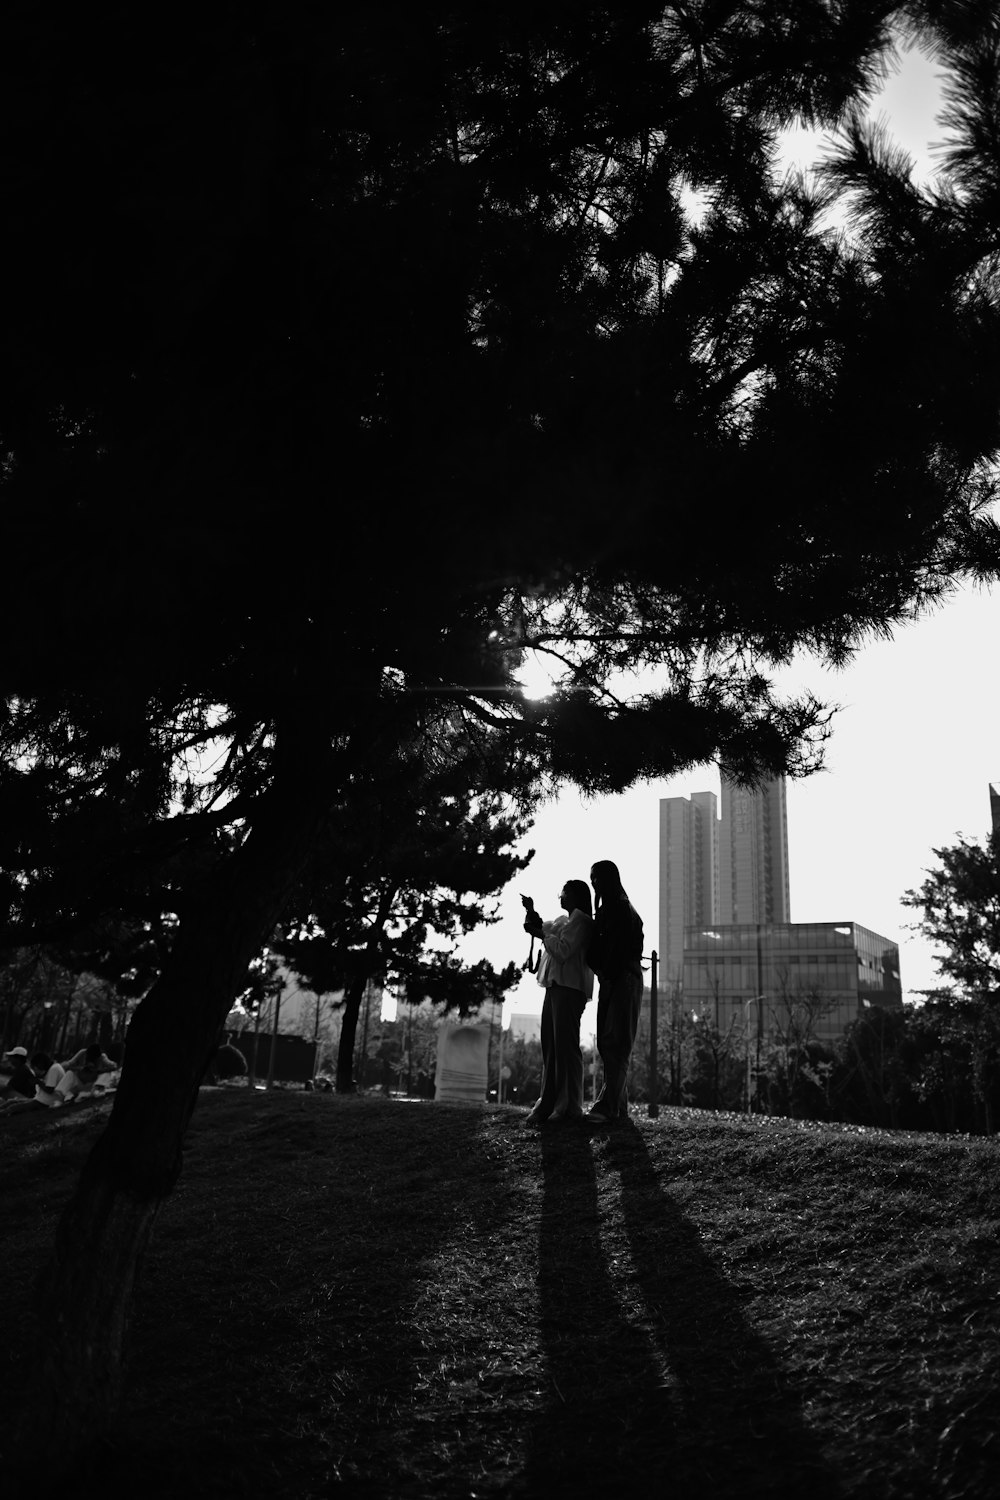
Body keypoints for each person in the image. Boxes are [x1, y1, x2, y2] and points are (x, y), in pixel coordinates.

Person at [522, 880, 594, 1127]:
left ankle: (568, 1106)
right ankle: (550, 1103)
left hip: (569, 988)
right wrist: (531, 914)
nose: (560, 897)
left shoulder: (581, 921)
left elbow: (563, 951)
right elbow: (543, 928)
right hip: (555, 988)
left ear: (574, 895)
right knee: (551, 1049)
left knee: (564, 1049)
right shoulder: (564, 921)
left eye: (564, 892)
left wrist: (542, 934)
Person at [586, 860, 644, 1125]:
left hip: (623, 977)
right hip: (612, 978)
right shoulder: (611, 908)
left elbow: (615, 952)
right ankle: (618, 1108)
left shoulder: (620, 908)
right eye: (592, 878)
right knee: (608, 1043)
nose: (594, 883)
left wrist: (603, 968)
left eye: (597, 878)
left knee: (615, 1042)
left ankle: (609, 1105)